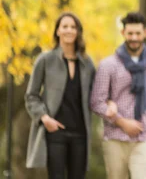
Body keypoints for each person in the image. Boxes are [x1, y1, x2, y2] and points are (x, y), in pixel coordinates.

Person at [25, 12, 109, 178]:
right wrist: (44, 118)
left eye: (73, 27)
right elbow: (31, 95)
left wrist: (110, 104)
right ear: (57, 31)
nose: (69, 30)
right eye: (65, 26)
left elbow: (97, 94)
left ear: (78, 32)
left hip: (80, 133)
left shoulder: (87, 63)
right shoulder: (45, 60)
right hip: (55, 132)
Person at [91, 12, 146, 179]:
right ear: (123, 33)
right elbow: (97, 102)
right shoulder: (108, 65)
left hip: (145, 137)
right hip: (114, 138)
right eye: (130, 33)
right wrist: (122, 122)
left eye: (138, 33)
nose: (134, 37)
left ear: (145, 33)